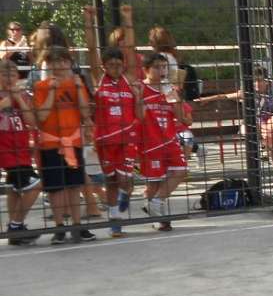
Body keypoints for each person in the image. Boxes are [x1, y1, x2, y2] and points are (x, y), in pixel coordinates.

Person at [32, 46, 95, 243]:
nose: (59, 65)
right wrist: (52, 91)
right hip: (51, 143)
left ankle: (77, 226)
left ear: (69, 63)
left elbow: (85, 113)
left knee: (75, 185)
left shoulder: (76, 84)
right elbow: (42, 116)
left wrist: (79, 88)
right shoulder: (41, 86)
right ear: (48, 65)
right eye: (54, 61)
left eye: (63, 61)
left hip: (73, 141)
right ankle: (59, 227)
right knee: (55, 187)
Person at [92, 46, 143, 238]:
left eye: (118, 64)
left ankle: (125, 195)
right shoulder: (99, 80)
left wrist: (138, 97)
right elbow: (91, 51)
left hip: (126, 137)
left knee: (124, 180)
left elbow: (140, 115)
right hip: (105, 140)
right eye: (111, 65)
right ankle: (115, 221)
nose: (115, 68)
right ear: (103, 66)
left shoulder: (128, 81)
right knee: (111, 181)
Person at [194, 66, 273, 169]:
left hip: (272, 122)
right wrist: (207, 99)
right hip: (256, 123)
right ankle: (266, 150)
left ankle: (269, 155)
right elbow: (225, 96)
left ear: (267, 81)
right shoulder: (248, 92)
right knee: (250, 130)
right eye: (254, 81)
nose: (257, 84)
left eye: (260, 80)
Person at [139, 54, 188, 231]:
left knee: (181, 170)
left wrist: (175, 97)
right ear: (146, 70)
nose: (162, 70)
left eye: (164, 67)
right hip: (150, 141)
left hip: (169, 138)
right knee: (154, 181)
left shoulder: (168, 89)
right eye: (157, 67)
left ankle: (156, 203)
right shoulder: (140, 88)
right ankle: (158, 218)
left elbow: (181, 117)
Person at [0, 60, 41, 245]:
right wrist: (6, 101)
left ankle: (15, 229)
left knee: (14, 189)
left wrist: (19, 99)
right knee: (36, 185)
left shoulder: (23, 95)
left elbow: (32, 121)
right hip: (6, 150)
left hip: (22, 149)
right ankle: (15, 226)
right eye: (4, 74)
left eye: (12, 75)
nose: (9, 78)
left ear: (17, 76)